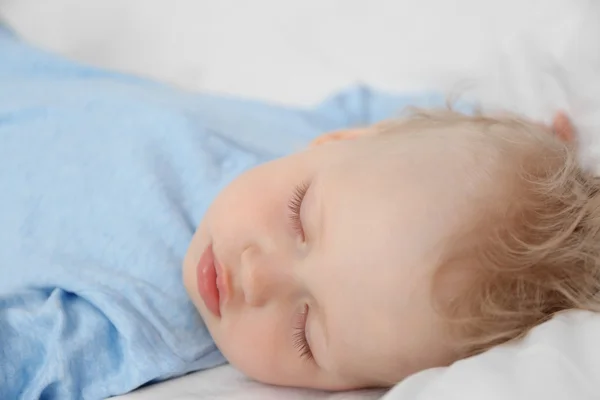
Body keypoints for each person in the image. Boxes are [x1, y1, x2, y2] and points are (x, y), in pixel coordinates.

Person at [1, 24, 596, 400]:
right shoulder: (323, 138)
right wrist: (532, 139)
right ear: (343, 140)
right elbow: (402, 124)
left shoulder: (130, 324)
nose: (258, 277)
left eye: (305, 334)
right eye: (297, 218)